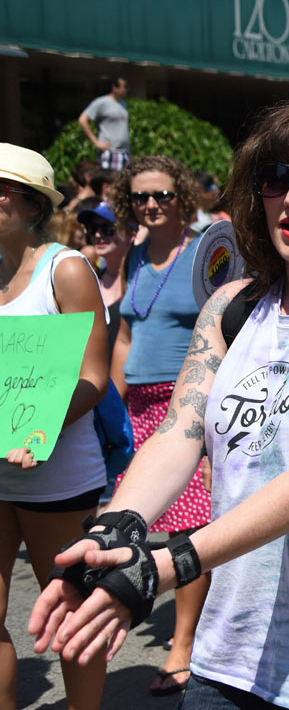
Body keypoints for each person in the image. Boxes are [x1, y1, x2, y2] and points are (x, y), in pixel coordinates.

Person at [30, 94, 289, 709]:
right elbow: (177, 434)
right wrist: (112, 532)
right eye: (276, 177)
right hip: (232, 655)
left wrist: (162, 566)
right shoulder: (230, 308)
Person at [0, 145, 110, 710]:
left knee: (70, 615)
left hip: (57, 478)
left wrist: (40, 429)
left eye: (1, 189)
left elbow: (94, 376)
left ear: (32, 203)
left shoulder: (63, 269)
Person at [106, 155, 209, 695]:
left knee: (188, 527)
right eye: (140, 196)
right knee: (140, 519)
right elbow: (124, 338)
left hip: (185, 403)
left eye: (162, 195)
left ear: (181, 195)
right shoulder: (135, 255)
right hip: (137, 407)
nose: (151, 204)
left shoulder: (204, 252)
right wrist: (110, 410)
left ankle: (183, 644)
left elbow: (228, 328)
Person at [75, 201, 132, 359]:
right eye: (93, 229)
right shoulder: (90, 281)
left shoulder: (139, 282)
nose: (98, 235)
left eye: (107, 228)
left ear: (131, 233)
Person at [78, 74, 130, 172]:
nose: (127, 89)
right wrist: (96, 142)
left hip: (125, 153)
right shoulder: (101, 102)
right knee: (110, 180)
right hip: (110, 152)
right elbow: (82, 120)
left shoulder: (123, 104)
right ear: (114, 88)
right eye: (125, 86)